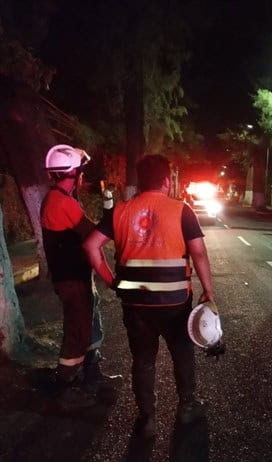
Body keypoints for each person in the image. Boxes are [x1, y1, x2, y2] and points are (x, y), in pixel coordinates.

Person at [83, 154, 217, 439]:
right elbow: (199, 252)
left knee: (143, 359)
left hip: (136, 304)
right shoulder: (182, 210)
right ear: (167, 181)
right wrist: (208, 290)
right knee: (182, 352)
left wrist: (111, 281)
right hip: (175, 303)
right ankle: (187, 406)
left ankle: (147, 418)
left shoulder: (119, 211)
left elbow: (91, 246)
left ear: (141, 182)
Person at [41, 144, 108, 409]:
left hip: (76, 277)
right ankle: (65, 387)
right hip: (71, 280)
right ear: (72, 173)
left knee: (89, 323)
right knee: (77, 331)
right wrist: (113, 219)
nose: (83, 176)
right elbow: (93, 234)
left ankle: (91, 374)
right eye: (80, 171)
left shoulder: (59, 198)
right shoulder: (62, 202)